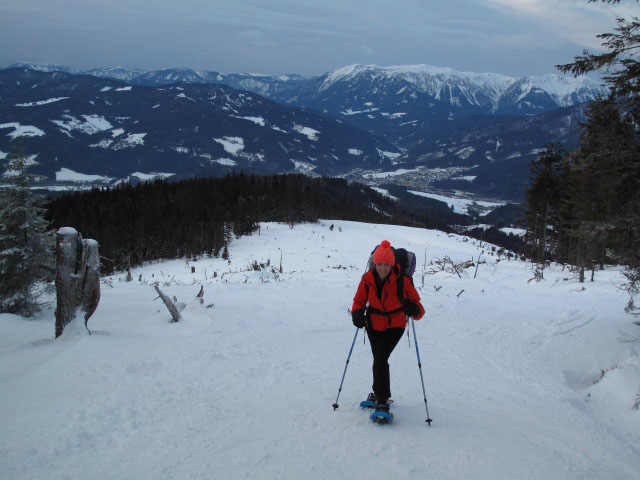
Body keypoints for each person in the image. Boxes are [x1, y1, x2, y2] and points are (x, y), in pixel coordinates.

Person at [351, 240, 425, 414]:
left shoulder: (402, 282)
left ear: (392, 264)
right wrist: (356, 313)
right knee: (378, 360)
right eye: (379, 264)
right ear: (374, 264)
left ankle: (382, 399)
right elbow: (359, 301)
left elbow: (420, 311)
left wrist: (412, 308)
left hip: (395, 326)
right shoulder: (367, 280)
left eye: (386, 264)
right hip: (373, 325)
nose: (382, 268)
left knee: (380, 360)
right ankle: (379, 394)